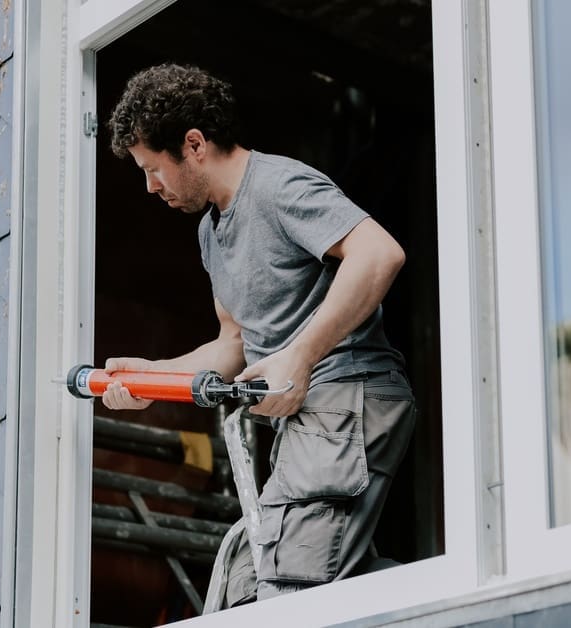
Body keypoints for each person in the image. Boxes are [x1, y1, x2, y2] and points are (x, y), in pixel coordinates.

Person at [103, 63, 416, 606]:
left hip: (348, 394)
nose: (149, 186)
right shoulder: (211, 230)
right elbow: (236, 343)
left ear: (194, 144)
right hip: (304, 420)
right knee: (248, 591)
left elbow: (379, 252)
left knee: (284, 592)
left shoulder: (279, 187)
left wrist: (299, 357)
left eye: (153, 168)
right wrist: (153, 377)